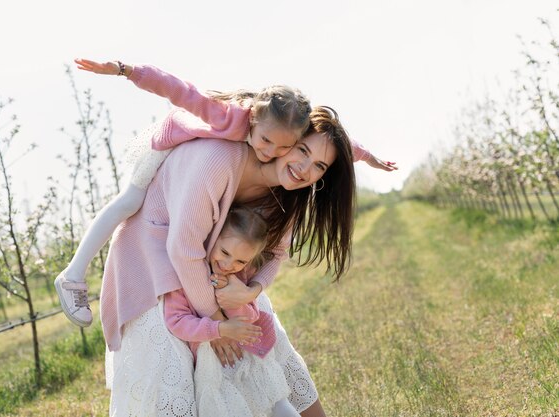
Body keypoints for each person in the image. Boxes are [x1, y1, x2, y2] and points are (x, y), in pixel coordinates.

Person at [55, 59, 397, 328]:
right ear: (252, 122)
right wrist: (124, 70)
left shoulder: (288, 135)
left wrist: (371, 159)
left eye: (285, 146)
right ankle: (73, 274)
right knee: (129, 201)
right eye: (264, 142)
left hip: (198, 169)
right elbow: (178, 90)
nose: (270, 152)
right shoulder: (228, 116)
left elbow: (336, 143)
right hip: (166, 145)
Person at [103, 105, 356, 416]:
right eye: (302, 150)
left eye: (319, 166)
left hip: (221, 276)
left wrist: (251, 292)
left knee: (273, 365)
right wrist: (217, 319)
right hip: (161, 269)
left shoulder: (290, 193)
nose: (305, 168)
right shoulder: (224, 158)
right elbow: (183, 251)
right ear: (285, 140)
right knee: (175, 378)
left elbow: (278, 253)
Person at [164, 205, 300, 416]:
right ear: (213, 238)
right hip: (213, 363)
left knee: (275, 403)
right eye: (225, 252)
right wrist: (219, 329)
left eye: (240, 261)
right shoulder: (184, 277)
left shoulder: (240, 276)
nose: (228, 264)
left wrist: (233, 297)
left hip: (248, 357)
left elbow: (250, 317)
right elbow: (177, 321)